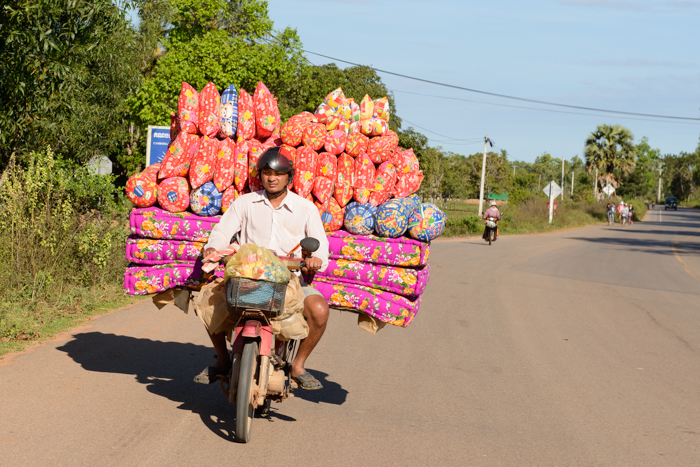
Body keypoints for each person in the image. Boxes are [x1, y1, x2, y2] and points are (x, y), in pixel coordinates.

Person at [196, 147, 330, 390]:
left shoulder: (305, 208)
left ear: (289, 176)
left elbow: (321, 247)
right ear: (261, 175)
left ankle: (298, 365)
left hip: (290, 282)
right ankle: (223, 360)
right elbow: (223, 231)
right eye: (267, 173)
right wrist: (213, 248)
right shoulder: (245, 203)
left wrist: (316, 259)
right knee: (208, 301)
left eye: (278, 173)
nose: (272, 178)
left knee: (319, 310)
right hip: (247, 279)